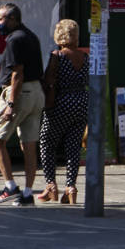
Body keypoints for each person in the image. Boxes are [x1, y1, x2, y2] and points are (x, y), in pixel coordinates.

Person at [0, 2, 45, 206]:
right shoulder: (30, 36)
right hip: (36, 93)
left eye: (1, 19)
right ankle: (28, 193)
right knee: (29, 144)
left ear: (13, 19)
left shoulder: (14, 39)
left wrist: (11, 103)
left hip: (19, 94)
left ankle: (10, 186)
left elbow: (17, 74)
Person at [36, 18, 89, 205]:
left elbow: (50, 79)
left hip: (61, 102)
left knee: (46, 141)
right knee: (73, 146)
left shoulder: (57, 55)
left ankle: (51, 185)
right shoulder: (85, 57)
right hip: (81, 102)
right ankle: (71, 187)